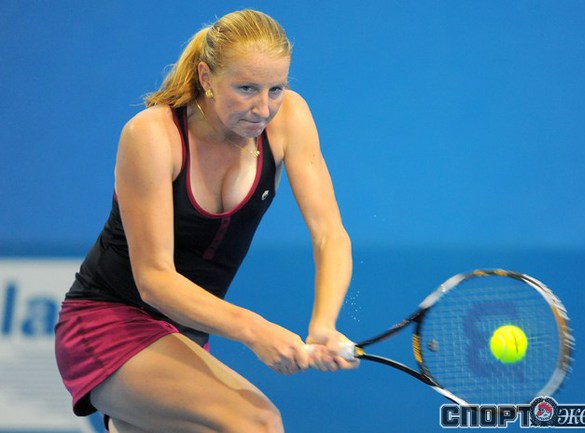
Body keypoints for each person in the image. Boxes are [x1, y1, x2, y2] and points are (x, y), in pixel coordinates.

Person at [54, 9, 357, 433]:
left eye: (276, 89)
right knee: (259, 422)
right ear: (207, 77)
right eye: (246, 88)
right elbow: (154, 280)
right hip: (109, 321)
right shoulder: (152, 135)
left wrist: (323, 323)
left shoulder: (291, 116)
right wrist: (254, 329)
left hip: (185, 336)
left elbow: (330, 235)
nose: (263, 108)